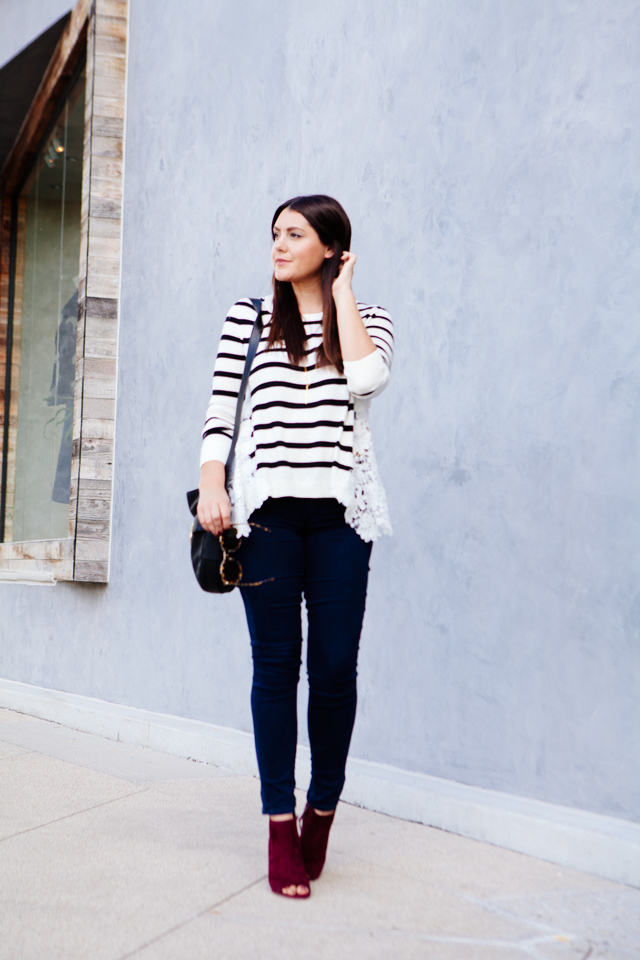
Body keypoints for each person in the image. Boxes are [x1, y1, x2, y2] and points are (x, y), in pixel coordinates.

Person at [197, 195, 393, 898]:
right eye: (274, 233)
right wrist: (212, 481)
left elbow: (369, 381)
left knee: (336, 668)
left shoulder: (369, 323)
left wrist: (342, 293)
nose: (278, 245)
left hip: (342, 518)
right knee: (276, 669)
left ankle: (323, 808)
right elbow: (221, 408)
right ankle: (280, 823)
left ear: (331, 245)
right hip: (269, 521)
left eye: (294, 234)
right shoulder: (247, 319)